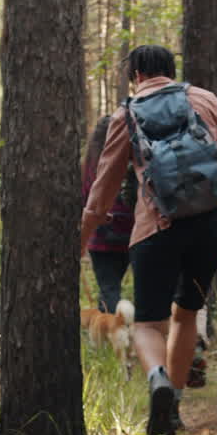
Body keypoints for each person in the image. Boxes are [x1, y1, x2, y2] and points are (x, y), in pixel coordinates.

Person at [81, 44, 217, 435]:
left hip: (156, 229)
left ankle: (157, 381)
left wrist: (79, 244)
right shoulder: (205, 100)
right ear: (172, 71)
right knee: (187, 313)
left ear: (134, 75)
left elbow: (102, 192)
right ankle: (174, 406)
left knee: (147, 324)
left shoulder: (126, 115)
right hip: (210, 225)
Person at [82, 115, 135, 314]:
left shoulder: (90, 165)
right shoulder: (130, 158)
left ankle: (111, 338)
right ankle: (122, 334)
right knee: (115, 290)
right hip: (131, 235)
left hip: (101, 239)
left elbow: (86, 198)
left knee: (109, 290)